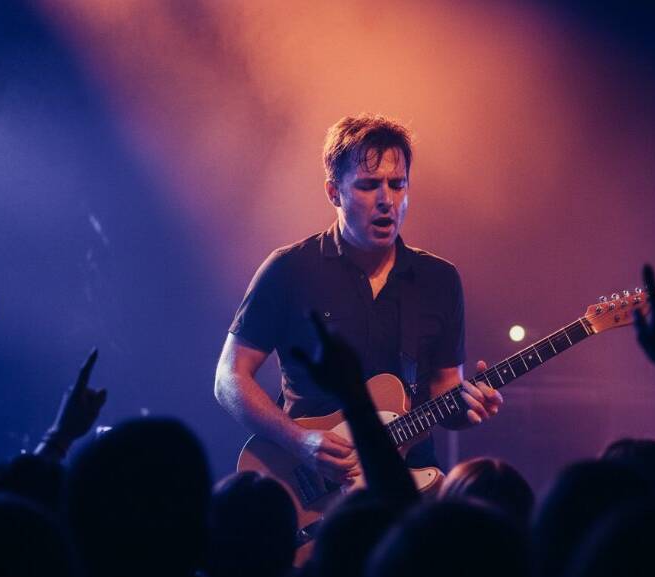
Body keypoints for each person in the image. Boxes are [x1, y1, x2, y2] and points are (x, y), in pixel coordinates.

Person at [214, 114, 503, 483]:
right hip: (313, 486)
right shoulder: (290, 268)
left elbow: (445, 389)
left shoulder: (439, 280)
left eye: (397, 185)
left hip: (409, 481)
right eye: (369, 185)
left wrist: (468, 407)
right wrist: (300, 442)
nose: (387, 200)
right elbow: (229, 376)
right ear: (334, 192)